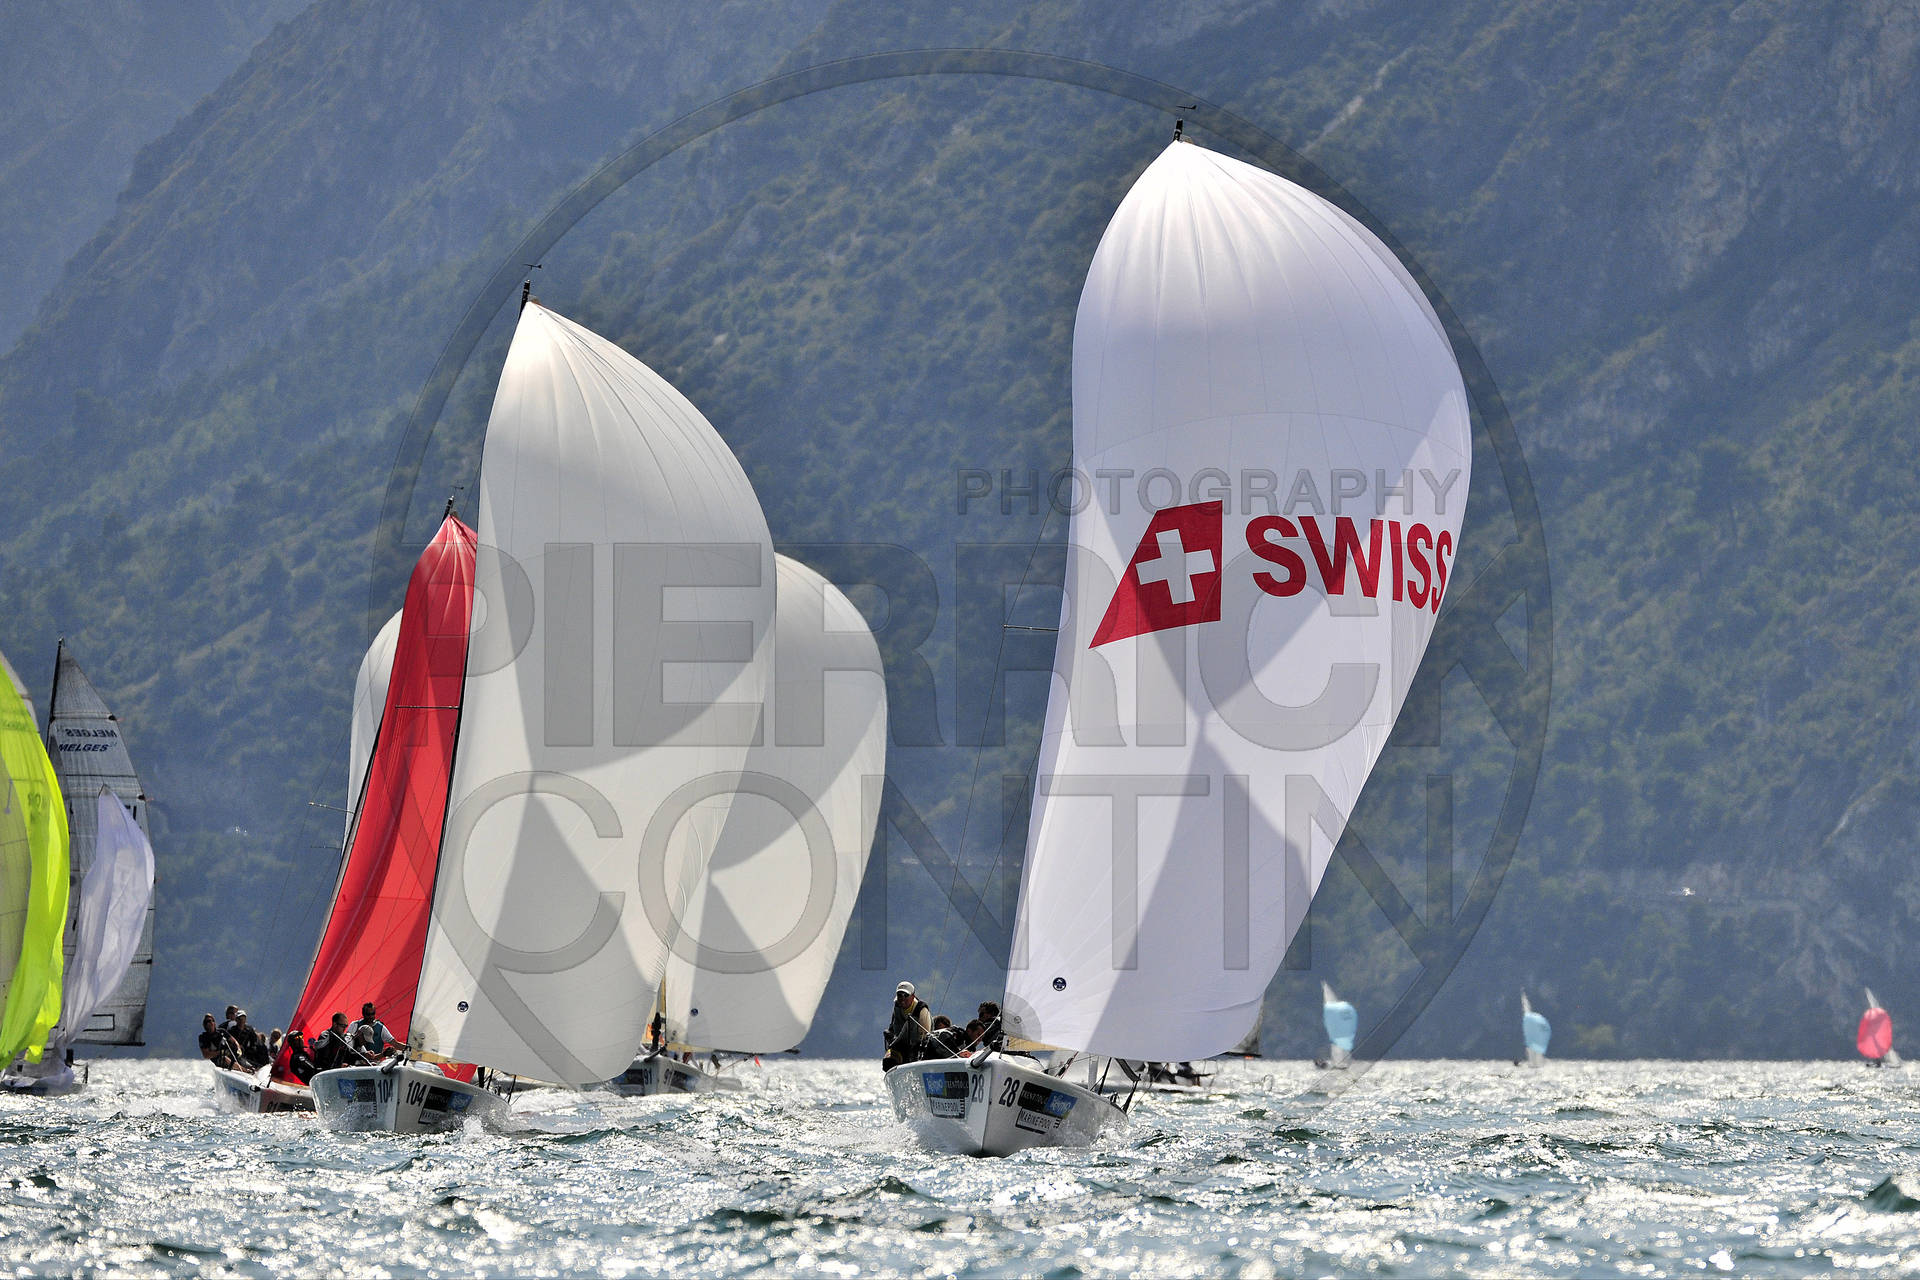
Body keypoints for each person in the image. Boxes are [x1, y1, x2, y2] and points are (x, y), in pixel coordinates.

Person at [882, 981, 931, 1070]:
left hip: (918, 1047)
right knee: (888, 1062)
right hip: (901, 1045)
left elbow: (925, 1035)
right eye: (900, 995)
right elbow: (892, 1028)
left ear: (913, 996)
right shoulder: (897, 1007)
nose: (902, 998)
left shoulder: (921, 1009)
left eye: (906, 995)